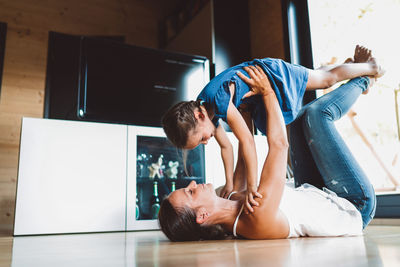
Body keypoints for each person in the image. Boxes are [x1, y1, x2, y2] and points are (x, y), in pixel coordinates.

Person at [158, 53, 380, 241]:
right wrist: (267, 92)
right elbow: (279, 145)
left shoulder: (225, 197)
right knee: (314, 115)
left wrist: (242, 108)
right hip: (352, 204)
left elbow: (244, 148)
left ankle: (345, 70)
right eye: (189, 192)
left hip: (314, 190)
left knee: (299, 118)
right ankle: (366, 78)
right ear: (202, 216)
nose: (194, 183)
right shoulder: (255, 215)